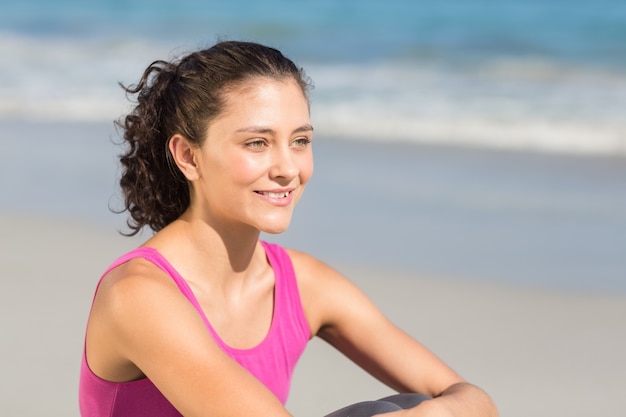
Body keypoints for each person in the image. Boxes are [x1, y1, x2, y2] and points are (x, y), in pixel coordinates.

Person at [79, 40, 498, 417]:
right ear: (188, 156)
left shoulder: (303, 285)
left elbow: (472, 399)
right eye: (257, 143)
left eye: (299, 141)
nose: (287, 169)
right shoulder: (137, 295)